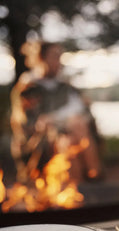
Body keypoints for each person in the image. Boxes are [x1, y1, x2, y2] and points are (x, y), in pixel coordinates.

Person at [10, 41, 102, 183]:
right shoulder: (27, 89)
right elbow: (26, 127)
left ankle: (81, 188)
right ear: (40, 58)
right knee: (68, 141)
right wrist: (54, 125)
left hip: (70, 134)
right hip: (40, 143)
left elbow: (85, 113)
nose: (59, 61)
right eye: (54, 56)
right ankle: (93, 178)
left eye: (60, 56)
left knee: (74, 133)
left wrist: (55, 119)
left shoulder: (65, 87)